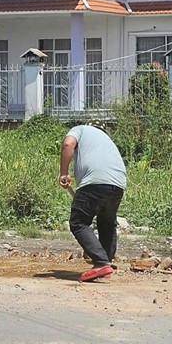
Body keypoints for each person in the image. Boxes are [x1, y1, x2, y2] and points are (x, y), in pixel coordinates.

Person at [58, 119, 127, 282]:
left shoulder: (80, 129)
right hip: (118, 184)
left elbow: (68, 144)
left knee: (78, 222)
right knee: (107, 223)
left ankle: (101, 262)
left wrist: (63, 172)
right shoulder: (107, 141)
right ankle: (106, 262)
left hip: (94, 182)